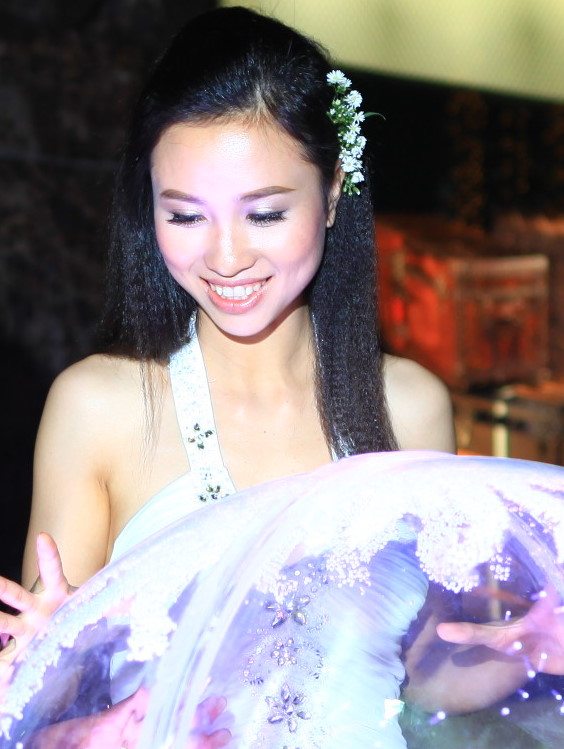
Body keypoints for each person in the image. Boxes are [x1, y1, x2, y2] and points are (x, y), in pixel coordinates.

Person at [1, 6, 561, 748]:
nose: (226, 257)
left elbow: (412, 672)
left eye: (264, 213)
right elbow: (38, 706)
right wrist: (58, 686)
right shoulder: (100, 408)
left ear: (331, 194)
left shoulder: (409, 404)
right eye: (186, 216)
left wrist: (523, 652)